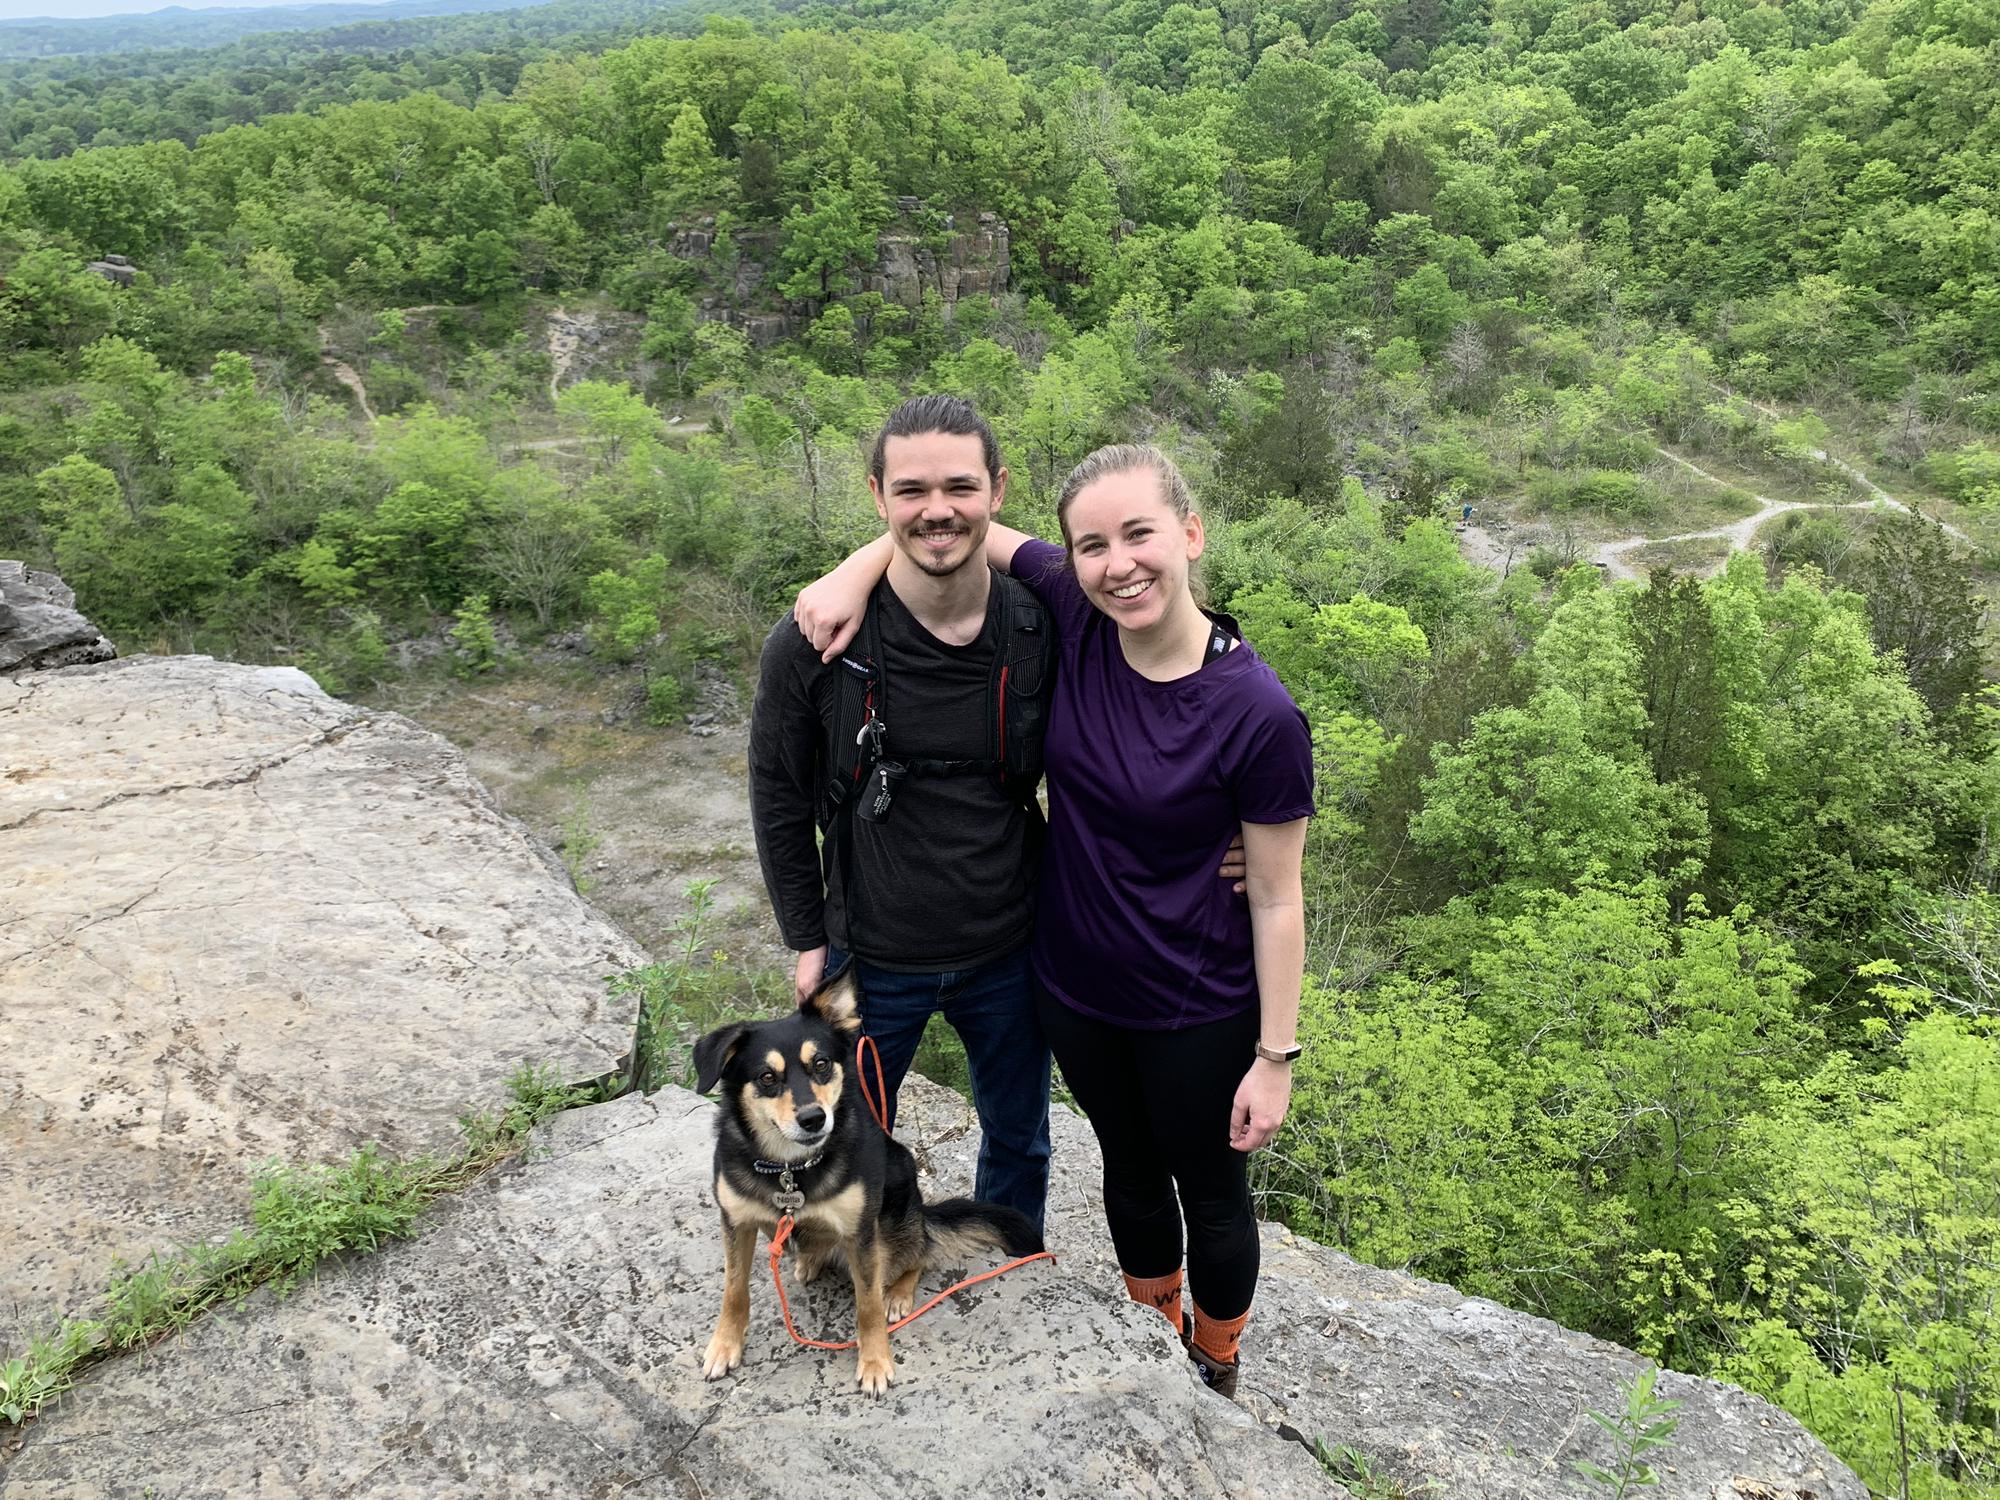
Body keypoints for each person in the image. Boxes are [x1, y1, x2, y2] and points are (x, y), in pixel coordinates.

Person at [796, 443, 1311, 1398]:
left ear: (1191, 534)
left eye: (1141, 535)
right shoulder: (1074, 615)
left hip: (1198, 1004)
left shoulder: (1258, 713)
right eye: (1093, 544)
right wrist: (853, 567)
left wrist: (1274, 1059)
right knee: (1127, 1171)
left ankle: (1217, 1360)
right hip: (1074, 986)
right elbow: (958, 529)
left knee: (1210, 1192)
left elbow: (1280, 897)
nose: (1119, 563)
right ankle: (1156, 1338)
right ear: (1072, 560)